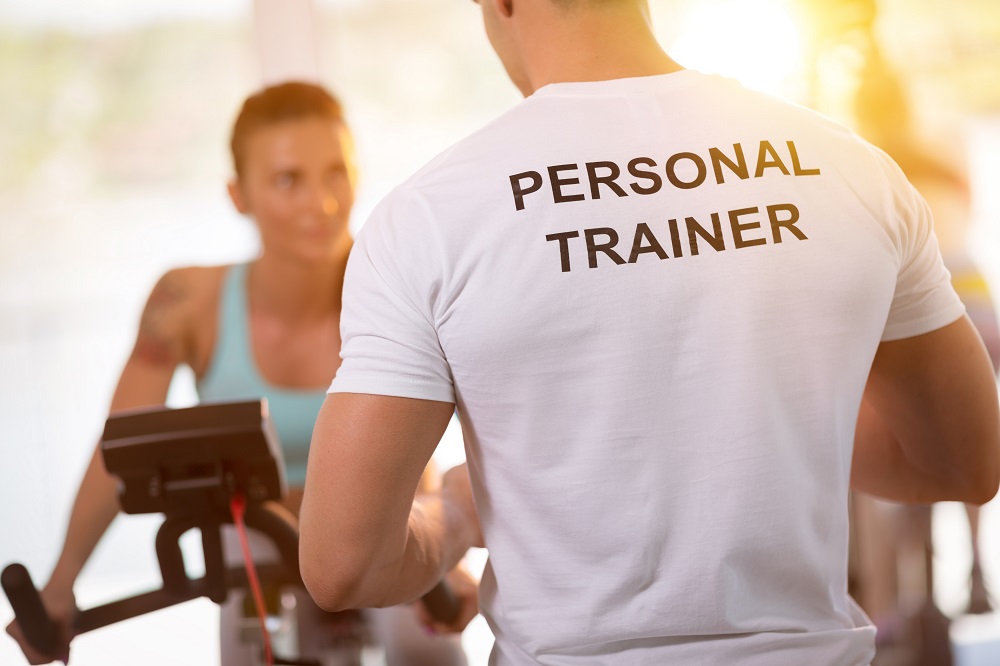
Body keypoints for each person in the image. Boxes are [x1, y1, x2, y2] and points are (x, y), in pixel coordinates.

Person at [298, 2, 1000, 665]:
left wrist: (454, 515)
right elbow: (965, 463)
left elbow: (343, 564)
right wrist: (768, 430)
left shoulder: (429, 217)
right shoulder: (853, 170)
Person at [5, 82, 471, 666]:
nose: (322, 204)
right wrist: (61, 581)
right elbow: (120, 446)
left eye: (336, 173)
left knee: (424, 647)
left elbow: (443, 437)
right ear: (238, 195)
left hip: (379, 526)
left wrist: (445, 552)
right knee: (250, 639)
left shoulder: (397, 283)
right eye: (288, 180)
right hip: (253, 540)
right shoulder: (187, 300)